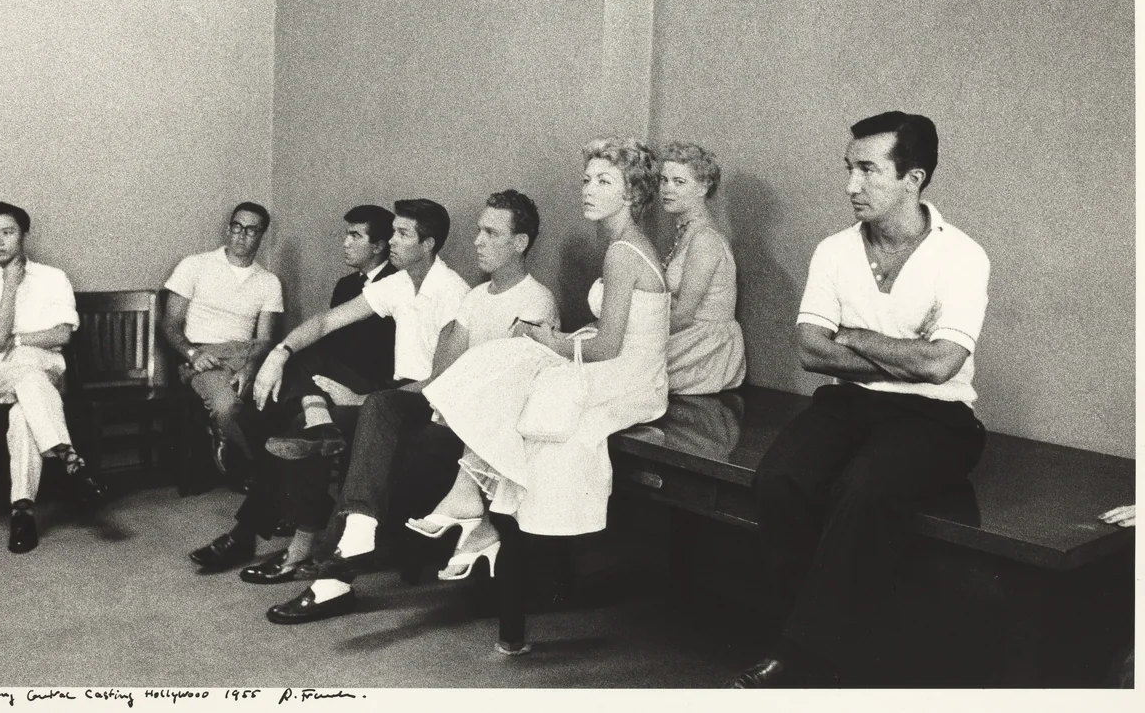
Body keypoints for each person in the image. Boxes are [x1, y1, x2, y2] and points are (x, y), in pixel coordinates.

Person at [732, 112, 990, 688]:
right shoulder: (834, 250)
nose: (851, 184)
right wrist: (902, 350)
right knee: (780, 480)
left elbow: (941, 364)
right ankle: (823, 638)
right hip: (849, 404)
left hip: (937, 415)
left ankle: (802, 655)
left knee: (863, 489)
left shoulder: (963, 256)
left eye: (868, 169)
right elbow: (810, 351)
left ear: (913, 178)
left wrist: (852, 335)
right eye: (849, 168)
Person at [412, 138, 670, 653]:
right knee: (512, 364)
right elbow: (609, 334)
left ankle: (475, 510)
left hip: (633, 380)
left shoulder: (624, 251)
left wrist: (549, 339)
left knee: (523, 372)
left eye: (604, 181)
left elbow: (610, 348)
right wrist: (553, 342)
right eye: (587, 179)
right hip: (620, 364)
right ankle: (473, 509)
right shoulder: (627, 245)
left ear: (632, 192)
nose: (589, 190)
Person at [264, 190, 560, 624]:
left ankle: (334, 573)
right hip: (445, 405)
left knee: (376, 427)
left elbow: (508, 385)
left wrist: (425, 401)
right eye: (478, 229)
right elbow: (443, 374)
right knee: (380, 407)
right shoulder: (475, 298)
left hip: (482, 433)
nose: (477, 240)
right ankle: (357, 526)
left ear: (519, 243)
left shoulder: (536, 301)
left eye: (490, 232)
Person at [245, 199, 470, 608]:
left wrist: (361, 399)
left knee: (333, 422)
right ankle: (320, 431)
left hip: (427, 402)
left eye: (403, 234)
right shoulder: (401, 283)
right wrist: (278, 353)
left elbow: (440, 381)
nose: (393, 241)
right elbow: (328, 320)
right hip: (393, 395)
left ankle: (322, 558)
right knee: (302, 362)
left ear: (428, 244)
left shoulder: (453, 293)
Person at [186, 205, 398, 572]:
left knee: (295, 429)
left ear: (379, 246)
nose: (344, 243)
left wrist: (340, 389)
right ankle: (275, 512)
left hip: (367, 390)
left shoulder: (396, 285)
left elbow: (389, 361)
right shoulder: (347, 285)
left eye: (355, 236)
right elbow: (329, 342)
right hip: (329, 382)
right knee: (266, 414)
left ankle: (248, 533)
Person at [0, 201, 105, 554]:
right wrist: (9, 283)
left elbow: (61, 335)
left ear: (24, 235)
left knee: (25, 404)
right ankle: (70, 462)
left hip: (45, 370)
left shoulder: (53, 277)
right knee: (27, 380)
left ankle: (22, 511)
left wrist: (17, 340)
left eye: (7, 232)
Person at [161, 202, 283, 471]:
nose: (242, 234)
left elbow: (264, 340)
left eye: (251, 230)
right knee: (227, 406)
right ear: (229, 229)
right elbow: (170, 324)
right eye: (237, 227)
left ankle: (229, 438)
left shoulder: (269, 281)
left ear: (262, 236)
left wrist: (252, 367)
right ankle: (261, 468)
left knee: (281, 396)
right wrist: (193, 354)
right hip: (206, 355)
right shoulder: (194, 265)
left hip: (246, 354)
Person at [657, 141, 746, 394]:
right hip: (690, 336)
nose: (667, 189)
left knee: (621, 365)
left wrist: (637, 332)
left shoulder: (705, 238)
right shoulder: (687, 231)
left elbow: (684, 317)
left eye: (679, 182)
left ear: (703, 187)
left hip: (706, 348)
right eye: (663, 180)